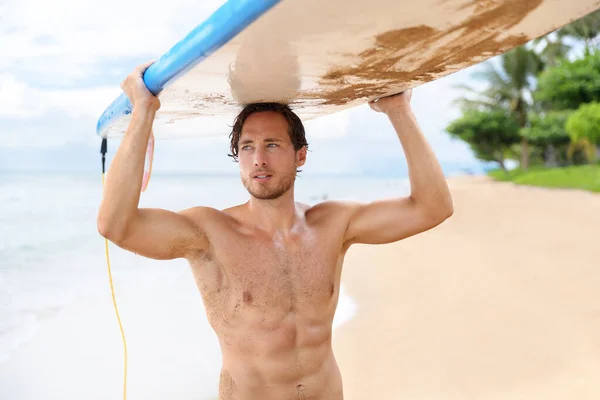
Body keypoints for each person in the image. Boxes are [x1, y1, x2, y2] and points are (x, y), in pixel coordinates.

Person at [97, 61, 454, 400]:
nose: (259, 160)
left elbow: (432, 207)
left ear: (300, 155)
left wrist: (399, 111)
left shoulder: (333, 224)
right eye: (247, 147)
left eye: (272, 145)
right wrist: (143, 111)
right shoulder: (209, 232)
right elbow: (116, 224)